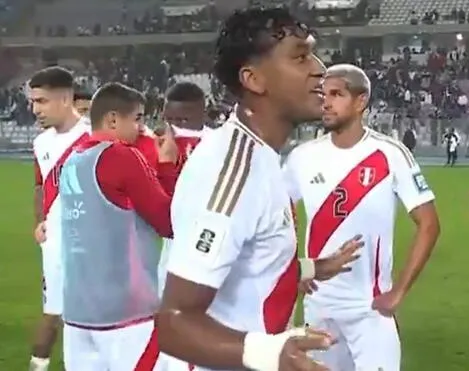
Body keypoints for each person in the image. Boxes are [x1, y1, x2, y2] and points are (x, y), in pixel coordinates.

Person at [157, 8, 362, 371]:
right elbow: (174, 322)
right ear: (254, 79)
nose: (319, 68)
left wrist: (313, 268)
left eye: (314, 53)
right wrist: (271, 355)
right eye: (300, 56)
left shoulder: (261, 156)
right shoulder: (231, 169)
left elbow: (247, 266)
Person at [283, 64, 441, 371]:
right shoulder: (302, 157)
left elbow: (430, 224)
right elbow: (278, 212)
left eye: (336, 94)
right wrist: (293, 268)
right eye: (322, 94)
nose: (325, 102)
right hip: (319, 307)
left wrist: (398, 292)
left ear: (361, 101)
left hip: (370, 310)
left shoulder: (389, 153)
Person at [58, 82, 178, 370]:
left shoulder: (72, 160)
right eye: (137, 118)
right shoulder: (121, 156)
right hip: (126, 315)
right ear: (113, 119)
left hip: (77, 313)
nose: (140, 128)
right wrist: (167, 166)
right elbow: (169, 222)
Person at [29, 66, 90, 371]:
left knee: (89, 320)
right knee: (52, 314)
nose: (34, 109)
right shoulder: (41, 143)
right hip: (54, 246)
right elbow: (41, 185)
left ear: (65, 99)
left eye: (41, 101)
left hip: (92, 246)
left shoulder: (95, 136)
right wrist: (39, 221)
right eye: (33, 102)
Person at [155, 82, 211, 370]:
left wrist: (165, 165)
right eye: (170, 120)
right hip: (172, 250)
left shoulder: (220, 145)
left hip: (209, 247)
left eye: (182, 120)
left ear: (202, 112)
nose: (175, 127)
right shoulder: (156, 143)